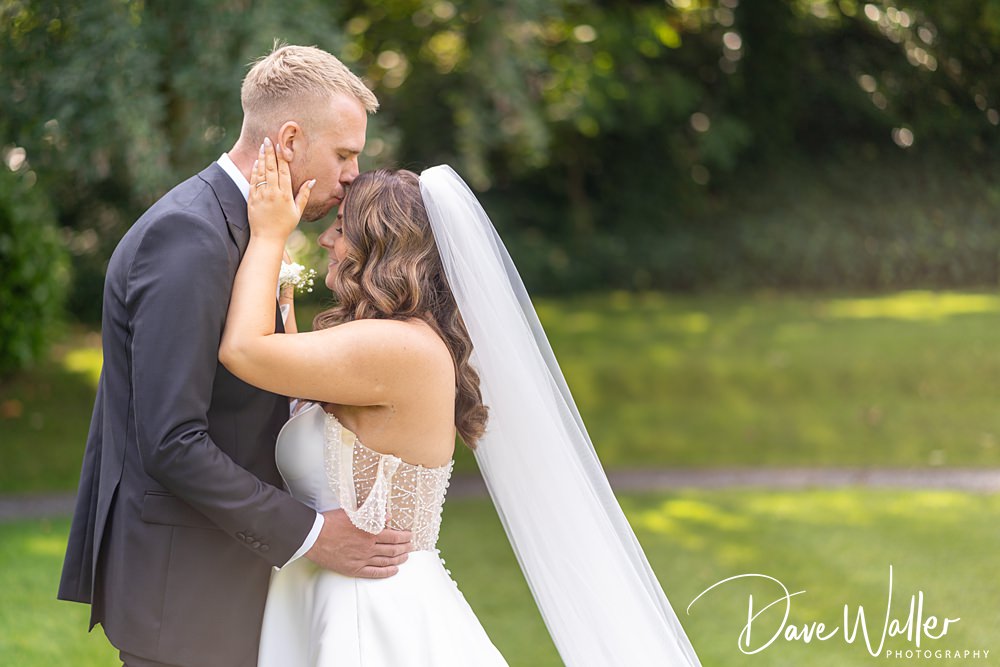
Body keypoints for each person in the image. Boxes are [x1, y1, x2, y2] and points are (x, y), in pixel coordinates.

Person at [219, 141, 703, 665]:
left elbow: (244, 352)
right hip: (329, 591)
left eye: (341, 227)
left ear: (379, 244)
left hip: (371, 610)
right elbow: (293, 386)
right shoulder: (393, 342)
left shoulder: (398, 347)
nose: (327, 239)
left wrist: (269, 235)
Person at [57, 45, 413, 667]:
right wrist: (310, 535)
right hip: (187, 594)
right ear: (292, 137)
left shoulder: (247, 226)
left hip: (230, 582)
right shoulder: (191, 238)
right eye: (344, 155)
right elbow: (170, 440)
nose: (354, 174)